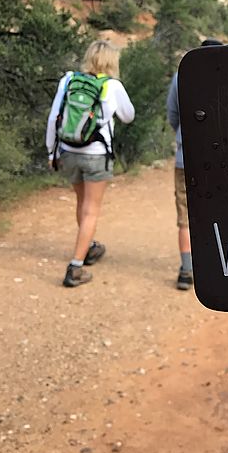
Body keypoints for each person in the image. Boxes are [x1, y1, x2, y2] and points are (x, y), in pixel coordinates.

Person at [45, 40, 135, 287]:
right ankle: (76, 267)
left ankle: (88, 247)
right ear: (111, 62)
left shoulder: (69, 80)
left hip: (68, 151)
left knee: (81, 203)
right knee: (91, 209)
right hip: (96, 154)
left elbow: (54, 117)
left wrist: (51, 152)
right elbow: (129, 116)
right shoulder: (112, 85)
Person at [167, 38, 223, 289]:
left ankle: (187, 270)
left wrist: (184, 135)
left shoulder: (182, 76)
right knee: (224, 210)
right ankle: (222, 264)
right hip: (223, 158)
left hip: (187, 155)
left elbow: (172, 114)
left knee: (186, 215)